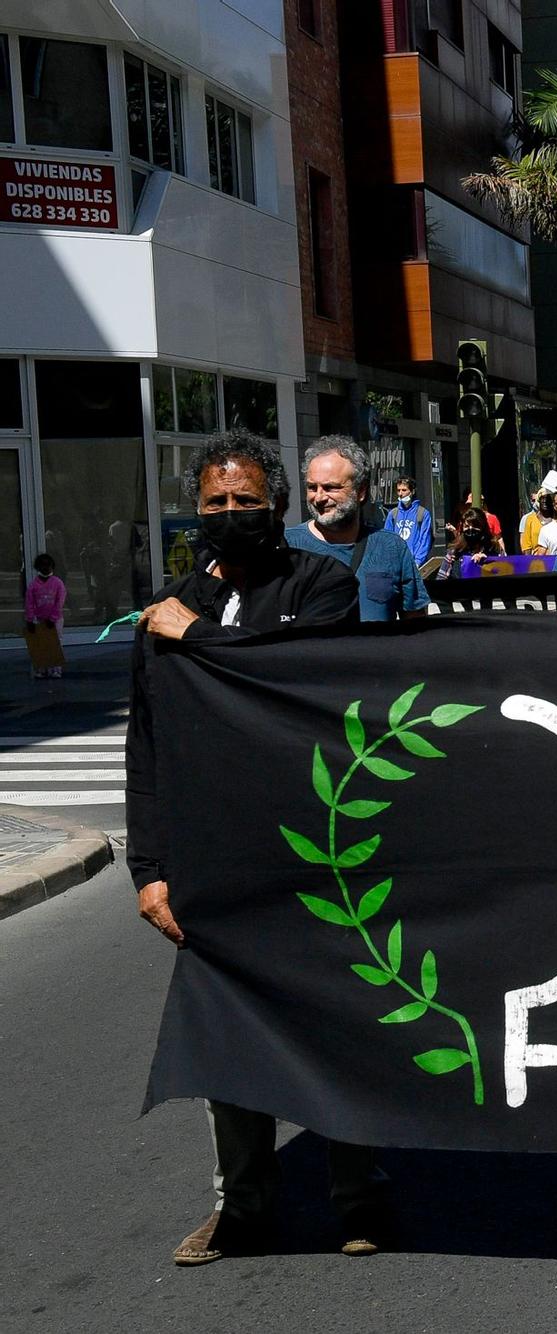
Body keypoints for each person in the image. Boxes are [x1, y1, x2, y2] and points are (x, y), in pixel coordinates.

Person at [125, 429, 378, 1266]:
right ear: (196, 509)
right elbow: (148, 746)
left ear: (275, 505)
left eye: (246, 501)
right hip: (215, 866)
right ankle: (242, 1206)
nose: (231, 515)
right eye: (215, 503)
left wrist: (196, 638)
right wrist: (150, 870)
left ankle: (356, 1199)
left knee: (335, 1026)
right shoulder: (169, 600)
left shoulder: (323, 586)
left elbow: (302, 683)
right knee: (227, 1037)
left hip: (315, 855)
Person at [286, 437, 430, 622]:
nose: (319, 497)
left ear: (361, 491)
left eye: (331, 487)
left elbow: (415, 624)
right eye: (312, 487)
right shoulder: (287, 547)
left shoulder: (391, 547)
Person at [24, 553, 66, 679]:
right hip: (40, 619)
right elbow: (29, 603)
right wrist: (30, 620)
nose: (46, 568)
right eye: (43, 566)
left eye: (48, 566)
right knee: (40, 644)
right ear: (38, 568)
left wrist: (53, 618)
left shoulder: (58, 583)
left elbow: (60, 602)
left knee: (55, 643)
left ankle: (56, 669)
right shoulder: (33, 585)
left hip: (56, 619)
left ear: (52, 567)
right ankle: (41, 669)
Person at [438, 505, 504, 577]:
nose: (470, 529)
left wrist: (488, 560)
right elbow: (441, 577)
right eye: (466, 526)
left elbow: (506, 570)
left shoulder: (495, 549)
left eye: (475, 526)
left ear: (483, 527)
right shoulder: (454, 551)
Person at [389, 477, 432, 565]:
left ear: (412, 491)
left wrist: (418, 562)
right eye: (398, 490)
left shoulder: (422, 513)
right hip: (397, 563)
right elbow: (387, 539)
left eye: (404, 490)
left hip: (414, 563)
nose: (400, 494)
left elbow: (425, 540)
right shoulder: (393, 514)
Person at [519, 488, 552, 555]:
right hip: (537, 561)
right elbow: (526, 547)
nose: (545, 501)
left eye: (548, 498)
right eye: (542, 498)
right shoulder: (530, 519)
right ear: (538, 501)